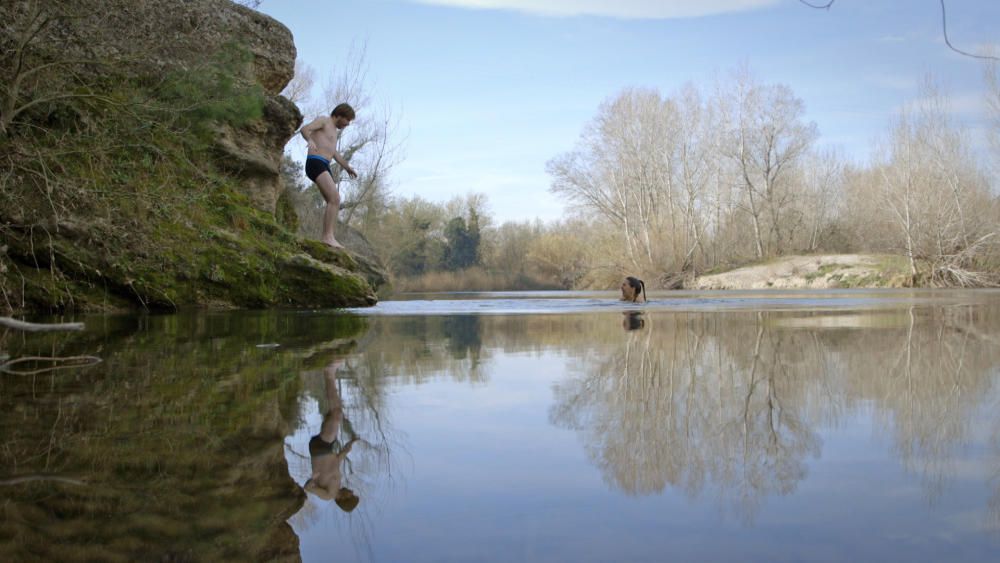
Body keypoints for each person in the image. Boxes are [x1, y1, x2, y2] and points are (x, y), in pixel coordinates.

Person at [304, 358, 361, 512]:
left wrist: (313, 478)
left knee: (336, 415)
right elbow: (336, 462)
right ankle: (330, 373)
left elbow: (308, 488)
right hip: (326, 448)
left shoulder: (328, 495)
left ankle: (329, 372)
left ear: (345, 499)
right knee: (335, 412)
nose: (351, 491)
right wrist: (349, 445)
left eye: (351, 494)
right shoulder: (336, 485)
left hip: (320, 450)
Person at [299, 103, 359, 249]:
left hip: (324, 164)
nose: (348, 124)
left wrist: (347, 167)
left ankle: (329, 236)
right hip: (315, 162)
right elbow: (305, 129)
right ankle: (327, 237)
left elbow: (334, 153)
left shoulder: (334, 131)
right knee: (335, 198)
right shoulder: (324, 121)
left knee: (333, 201)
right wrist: (310, 140)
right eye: (347, 120)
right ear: (340, 115)